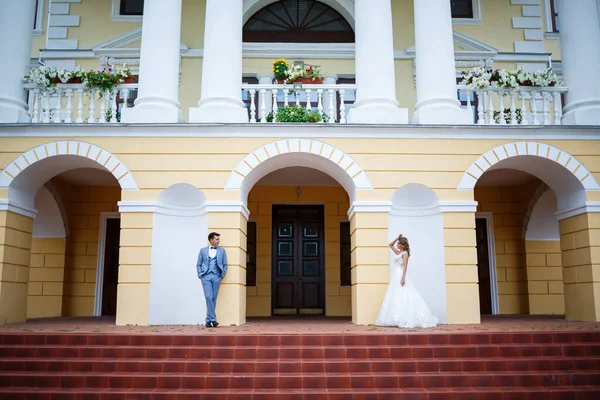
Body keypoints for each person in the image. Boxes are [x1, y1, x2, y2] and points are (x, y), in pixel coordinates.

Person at [375, 234, 438, 328]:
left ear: (403, 245)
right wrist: (397, 237)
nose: (397, 245)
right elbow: (390, 245)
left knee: (403, 293)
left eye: (399, 244)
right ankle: (396, 318)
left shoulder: (405, 254)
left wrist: (403, 277)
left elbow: (405, 266)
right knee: (395, 294)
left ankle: (404, 317)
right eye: (398, 243)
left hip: (400, 274)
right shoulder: (399, 253)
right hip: (395, 275)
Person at [196, 232, 228, 328]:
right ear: (211, 240)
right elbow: (198, 264)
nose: (219, 241)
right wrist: (200, 273)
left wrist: (222, 275)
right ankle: (213, 319)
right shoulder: (203, 250)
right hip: (205, 276)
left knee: (213, 298)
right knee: (208, 297)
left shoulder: (222, 251)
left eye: (219, 239)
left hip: (216, 276)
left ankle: (208, 320)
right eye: (217, 239)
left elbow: (225, 264)